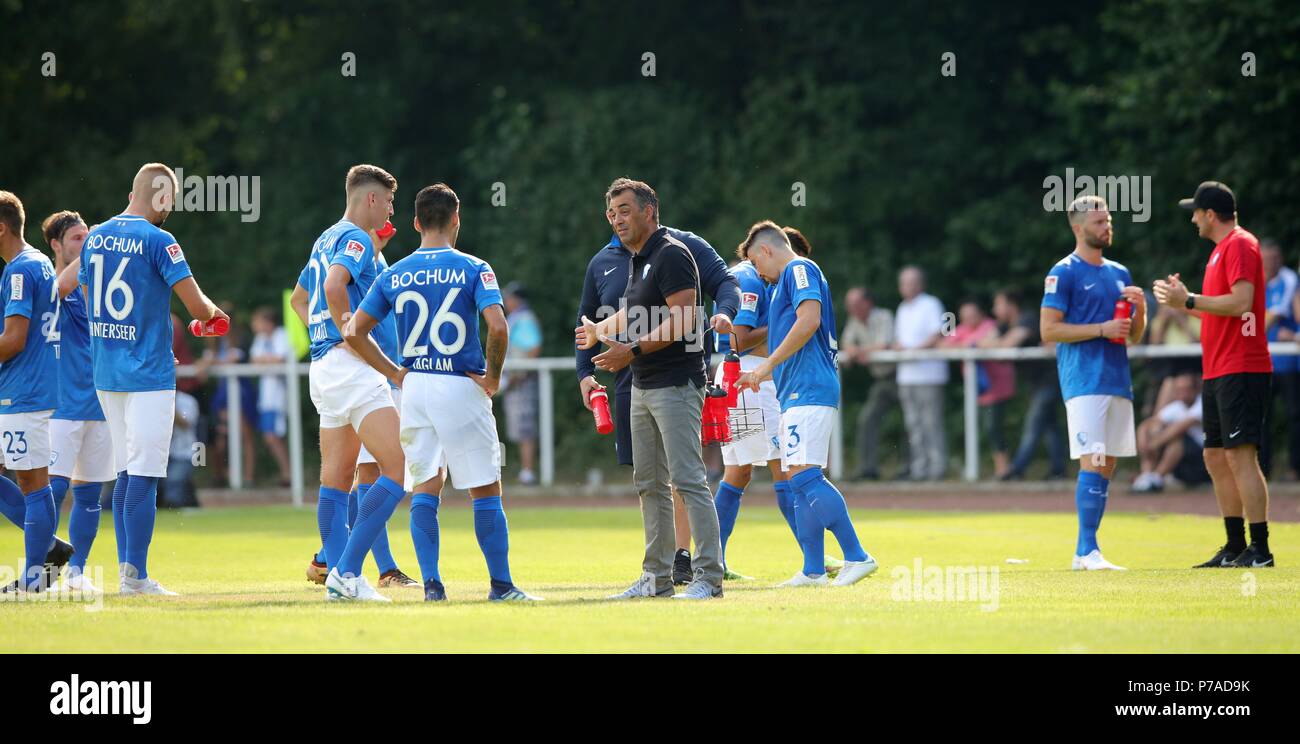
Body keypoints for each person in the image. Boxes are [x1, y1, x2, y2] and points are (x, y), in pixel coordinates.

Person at [349, 183, 540, 602]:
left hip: (415, 385)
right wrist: (492, 378)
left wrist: (394, 372)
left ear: (416, 222)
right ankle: (501, 586)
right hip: (460, 383)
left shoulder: (394, 272)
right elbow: (498, 326)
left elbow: (354, 330)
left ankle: (433, 586)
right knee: (485, 488)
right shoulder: (474, 267)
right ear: (456, 218)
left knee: (425, 487)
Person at [574, 177, 738, 586]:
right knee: (649, 482)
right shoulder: (634, 257)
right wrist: (598, 331)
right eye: (611, 214)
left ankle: (708, 578)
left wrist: (629, 352)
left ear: (650, 209)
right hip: (643, 385)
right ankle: (656, 577)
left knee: (688, 480)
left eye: (625, 211)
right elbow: (632, 313)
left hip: (676, 383)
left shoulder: (672, 253)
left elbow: (684, 320)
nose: (616, 220)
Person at [79, 164, 226, 595]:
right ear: (161, 198)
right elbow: (198, 309)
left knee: (126, 472)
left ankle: (129, 572)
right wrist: (213, 319)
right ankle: (136, 578)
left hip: (106, 372)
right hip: (147, 373)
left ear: (132, 192)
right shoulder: (160, 240)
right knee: (143, 474)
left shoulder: (95, 237)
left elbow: (92, 303)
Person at [736, 221, 878, 586]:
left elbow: (809, 321)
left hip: (809, 390)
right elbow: (796, 341)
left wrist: (766, 364)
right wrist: (762, 374)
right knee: (797, 481)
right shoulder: (782, 283)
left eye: (755, 262)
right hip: (795, 390)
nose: (758, 273)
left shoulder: (799, 269)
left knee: (804, 475)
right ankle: (813, 570)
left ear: (766, 250)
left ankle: (857, 556)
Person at [289, 163, 407, 602]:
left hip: (324, 367)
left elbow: (302, 298)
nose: (390, 211)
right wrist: (348, 331)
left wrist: (325, 334)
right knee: (397, 468)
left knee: (335, 481)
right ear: (371, 198)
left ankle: (341, 578)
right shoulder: (356, 238)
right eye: (389, 201)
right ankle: (350, 571)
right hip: (351, 367)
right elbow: (337, 285)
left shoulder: (326, 237)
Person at [709, 225, 842, 585]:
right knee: (787, 469)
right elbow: (736, 337)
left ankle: (712, 560)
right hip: (751, 377)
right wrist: (784, 325)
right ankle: (812, 558)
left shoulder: (760, 275)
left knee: (738, 473)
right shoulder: (752, 279)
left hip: (742, 378)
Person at [1154, 181, 1274, 568]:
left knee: (1240, 456)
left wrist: (1188, 299)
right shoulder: (1220, 252)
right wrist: (1182, 301)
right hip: (1219, 368)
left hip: (1241, 365)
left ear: (1209, 214)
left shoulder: (1239, 244)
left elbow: (1241, 304)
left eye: (1195, 212)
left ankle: (1261, 550)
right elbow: (1216, 310)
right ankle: (1235, 545)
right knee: (1216, 456)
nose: (1192, 219)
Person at [1041, 195, 1145, 571]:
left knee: (1107, 463)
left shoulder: (1120, 272)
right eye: (1099, 222)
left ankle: (1088, 551)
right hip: (1084, 379)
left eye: (1109, 220)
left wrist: (1141, 310)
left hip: (1117, 378)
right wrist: (1101, 328)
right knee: (1094, 459)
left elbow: (1132, 336)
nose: (1107, 227)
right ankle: (1086, 550)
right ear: (1077, 227)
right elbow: (1049, 329)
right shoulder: (1063, 271)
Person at [44, 210, 114, 592]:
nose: (86, 246)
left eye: (89, 238)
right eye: (77, 239)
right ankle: (42, 569)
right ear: (55, 245)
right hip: (61, 407)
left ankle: (77, 573)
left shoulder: (99, 292)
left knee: (90, 494)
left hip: (100, 405)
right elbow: (59, 288)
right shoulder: (51, 286)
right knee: (53, 489)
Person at [0, 191, 62, 593]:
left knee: (33, 482)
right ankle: (50, 548)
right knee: (30, 480)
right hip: (26, 388)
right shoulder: (37, 262)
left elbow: (15, 339)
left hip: (24, 391)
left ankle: (35, 577)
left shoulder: (20, 271)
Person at [991, 289, 1067, 481]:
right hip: (1036, 382)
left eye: (999, 304)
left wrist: (997, 342)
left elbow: (1006, 345)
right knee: (1050, 427)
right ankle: (1058, 469)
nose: (995, 310)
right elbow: (982, 342)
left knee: (1033, 424)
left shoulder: (1028, 319)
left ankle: (1017, 468)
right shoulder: (1005, 326)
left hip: (1050, 380)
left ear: (1011, 305)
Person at [945, 298, 1016, 477]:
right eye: (965, 317)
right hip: (977, 389)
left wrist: (968, 344)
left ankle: (1004, 468)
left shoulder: (990, 325)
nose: (969, 319)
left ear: (981, 314)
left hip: (997, 386)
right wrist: (971, 344)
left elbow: (990, 342)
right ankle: (997, 467)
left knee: (994, 428)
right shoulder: (960, 329)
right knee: (986, 428)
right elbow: (944, 345)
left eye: (972, 315)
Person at [894, 266, 948, 480]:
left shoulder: (932, 304)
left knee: (931, 422)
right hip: (906, 376)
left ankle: (937, 467)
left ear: (920, 284)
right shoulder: (901, 308)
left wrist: (915, 350)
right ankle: (919, 468)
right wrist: (901, 348)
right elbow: (899, 339)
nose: (906, 287)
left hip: (929, 374)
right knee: (913, 425)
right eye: (904, 283)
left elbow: (940, 333)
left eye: (910, 282)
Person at [838, 286, 897, 481]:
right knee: (867, 420)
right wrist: (857, 351)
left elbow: (883, 344)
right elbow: (847, 343)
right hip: (881, 379)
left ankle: (912, 468)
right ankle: (868, 468)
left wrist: (859, 351)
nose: (851, 308)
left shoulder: (884, 316)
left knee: (913, 423)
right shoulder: (855, 320)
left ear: (867, 303)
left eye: (855, 304)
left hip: (900, 376)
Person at [1260, 239, 1298, 480]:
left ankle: (1296, 469)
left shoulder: (1289, 280)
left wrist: (1247, 335)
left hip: (1287, 362)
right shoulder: (1252, 281)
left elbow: (1270, 317)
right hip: (1262, 360)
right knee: (1262, 416)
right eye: (1265, 259)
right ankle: (1262, 470)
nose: (1270, 264)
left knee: (1295, 414)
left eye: (1274, 259)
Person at [1132, 372, 1208, 492]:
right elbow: (1151, 423)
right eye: (1179, 389)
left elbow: (1181, 427)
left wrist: (1151, 445)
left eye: (1186, 389)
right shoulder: (1176, 406)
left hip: (1203, 460)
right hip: (1183, 463)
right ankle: (1147, 476)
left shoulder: (1203, 403)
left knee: (1175, 437)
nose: (1183, 393)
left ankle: (1157, 478)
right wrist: (1143, 437)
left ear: (1195, 389)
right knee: (1154, 431)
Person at [502, 282, 542, 485]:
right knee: (518, 427)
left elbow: (534, 348)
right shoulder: (517, 318)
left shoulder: (523, 319)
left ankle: (528, 471)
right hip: (514, 381)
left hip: (521, 382)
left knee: (525, 427)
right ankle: (525, 470)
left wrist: (519, 374)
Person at [248, 306, 293, 487]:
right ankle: (287, 474)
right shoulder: (261, 339)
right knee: (272, 435)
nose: (255, 326)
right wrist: (267, 359)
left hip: (279, 395)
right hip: (267, 396)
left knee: (273, 436)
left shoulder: (281, 335)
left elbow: (280, 358)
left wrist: (265, 360)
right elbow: (254, 359)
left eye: (258, 321)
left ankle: (288, 474)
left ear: (268, 322)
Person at [163, 390, 201, 508]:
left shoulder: (187, 400)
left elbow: (186, 423)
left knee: (174, 479)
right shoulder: (148, 400)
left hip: (187, 452)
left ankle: (172, 508)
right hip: (162, 453)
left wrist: (167, 406)